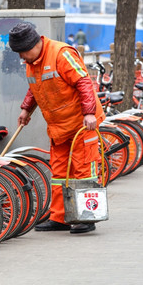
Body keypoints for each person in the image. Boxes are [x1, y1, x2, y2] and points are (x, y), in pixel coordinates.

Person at [9, 22, 105, 234]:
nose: (21, 58)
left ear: (34, 44)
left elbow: (83, 82)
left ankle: (86, 217)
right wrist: (26, 109)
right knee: (60, 172)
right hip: (59, 127)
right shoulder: (32, 62)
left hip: (81, 123)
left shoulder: (61, 54)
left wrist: (89, 112)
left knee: (83, 169)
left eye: (23, 52)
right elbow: (36, 88)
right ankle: (60, 217)